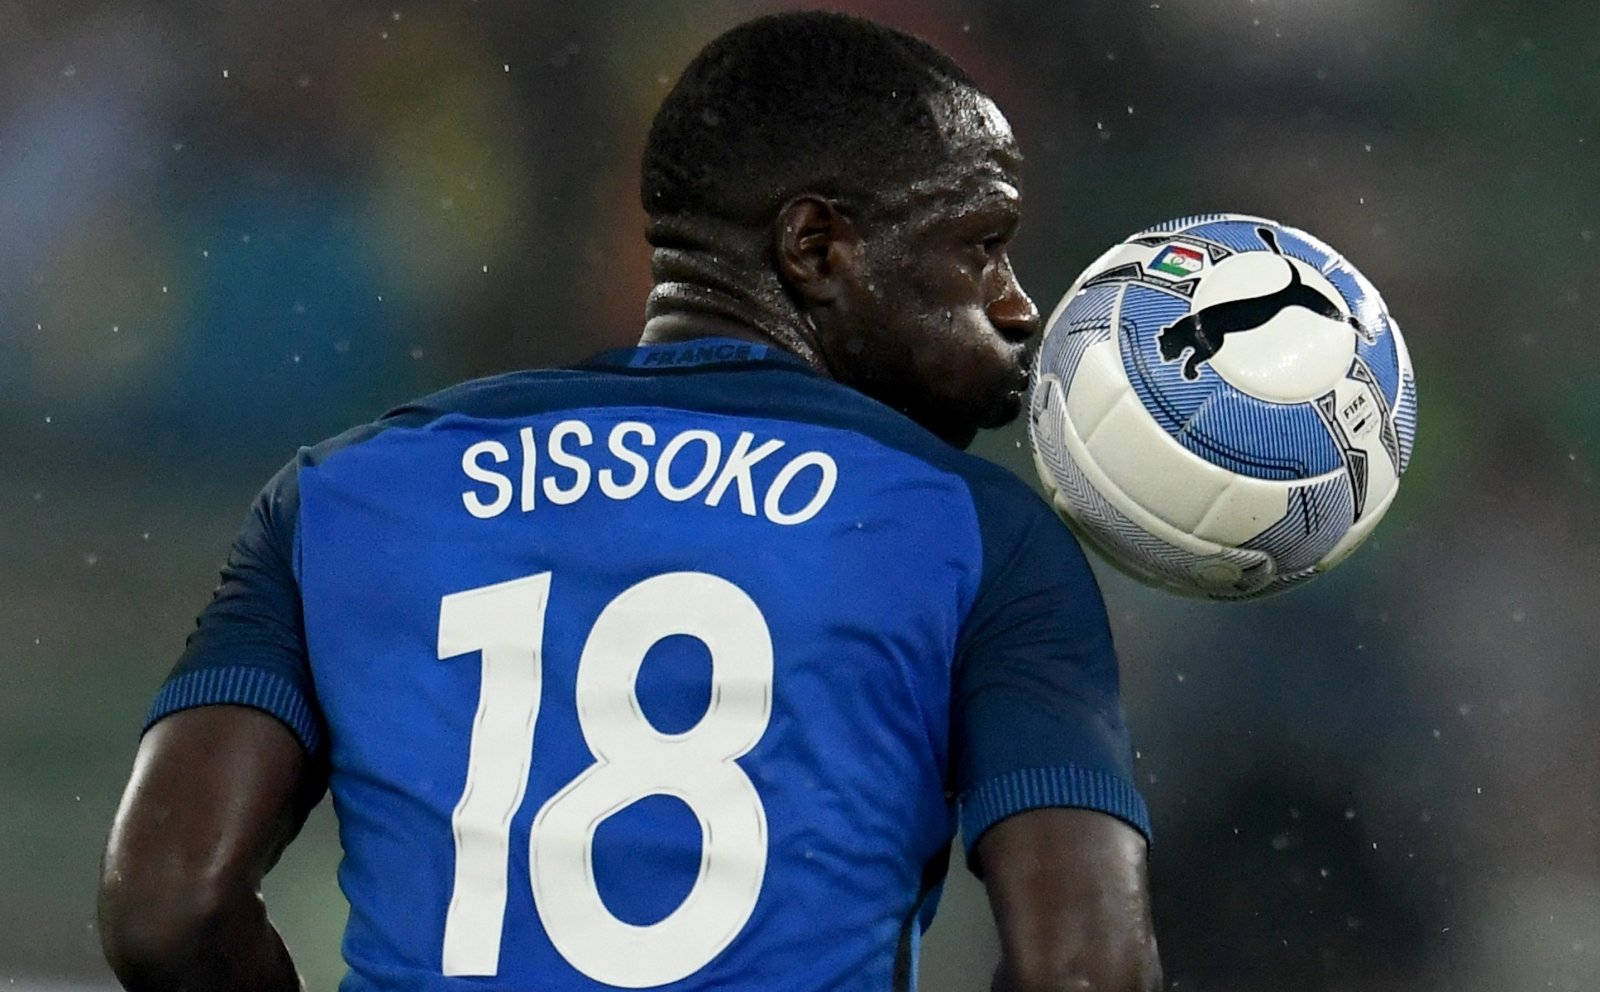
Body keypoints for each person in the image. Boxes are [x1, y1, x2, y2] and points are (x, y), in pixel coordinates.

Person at [98, 12, 1160, 992]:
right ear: (816, 247)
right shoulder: (973, 531)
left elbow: (166, 907)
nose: (1019, 305)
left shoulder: (343, 492)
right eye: (981, 244)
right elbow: (1083, 969)